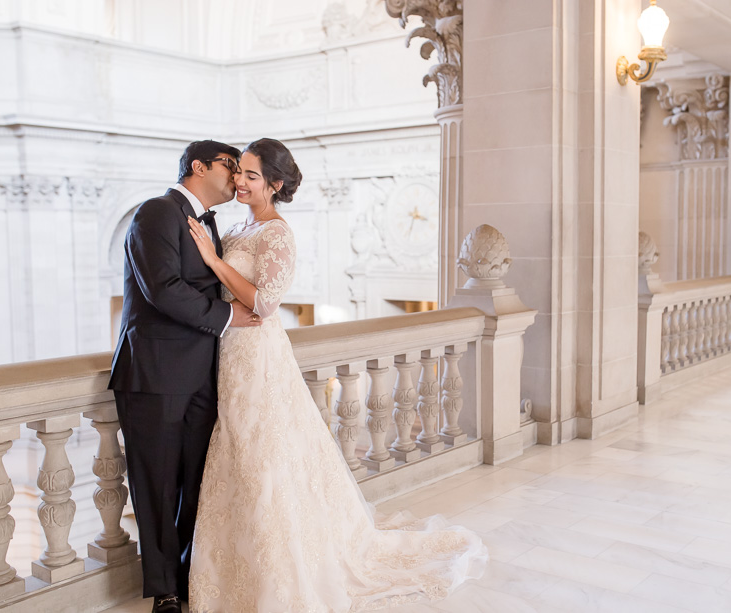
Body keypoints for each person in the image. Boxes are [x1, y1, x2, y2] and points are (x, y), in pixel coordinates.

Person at [185, 138, 487, 612]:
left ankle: (279, 571)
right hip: (228, 351)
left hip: (257, 354)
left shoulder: (277, 233)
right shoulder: (240, 226)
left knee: (261, 452)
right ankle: (236, 565)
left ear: (275, 185)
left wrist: (214, 261)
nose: (239, 181)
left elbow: (266, 302)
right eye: (239, 171)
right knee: (238, 452)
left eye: (251, 176)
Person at [108, 140, 264, 613]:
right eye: (229, 165)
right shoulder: (155, 212)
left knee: (199, 482)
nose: (236, 176)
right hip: (154, 373)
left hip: (203, 373)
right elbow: (163, 288)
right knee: (156, 487)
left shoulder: (211, 223)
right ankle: (165, 592)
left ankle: (191, 574)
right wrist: (228, 316)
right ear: (198, 166)